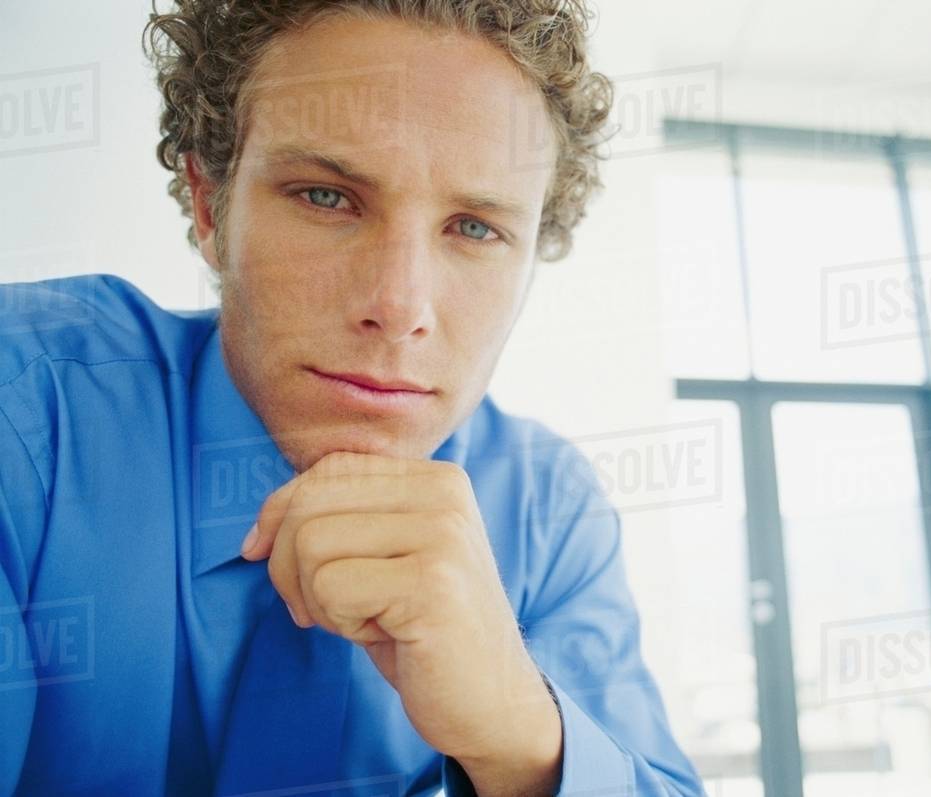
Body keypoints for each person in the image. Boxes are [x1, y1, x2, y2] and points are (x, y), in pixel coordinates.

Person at [0, 1, 705, 794]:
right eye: (326, 197)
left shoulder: (550, 508)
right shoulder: (25, 414)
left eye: (474, 228)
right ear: (209, 204)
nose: (400, 307)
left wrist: (521, 738)